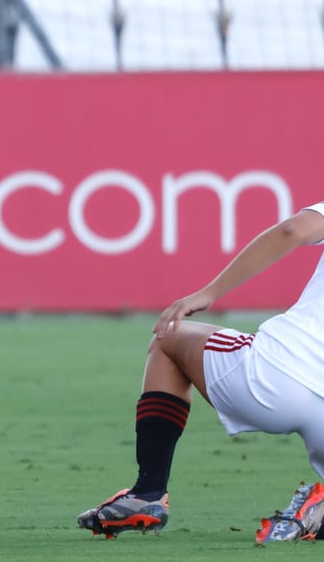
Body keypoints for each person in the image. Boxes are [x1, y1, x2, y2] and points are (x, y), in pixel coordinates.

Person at [77, 204, 324, 545]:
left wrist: (209, 293)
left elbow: (292, 230)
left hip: (278, 374)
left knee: (168, 338)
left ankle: (147, 492)